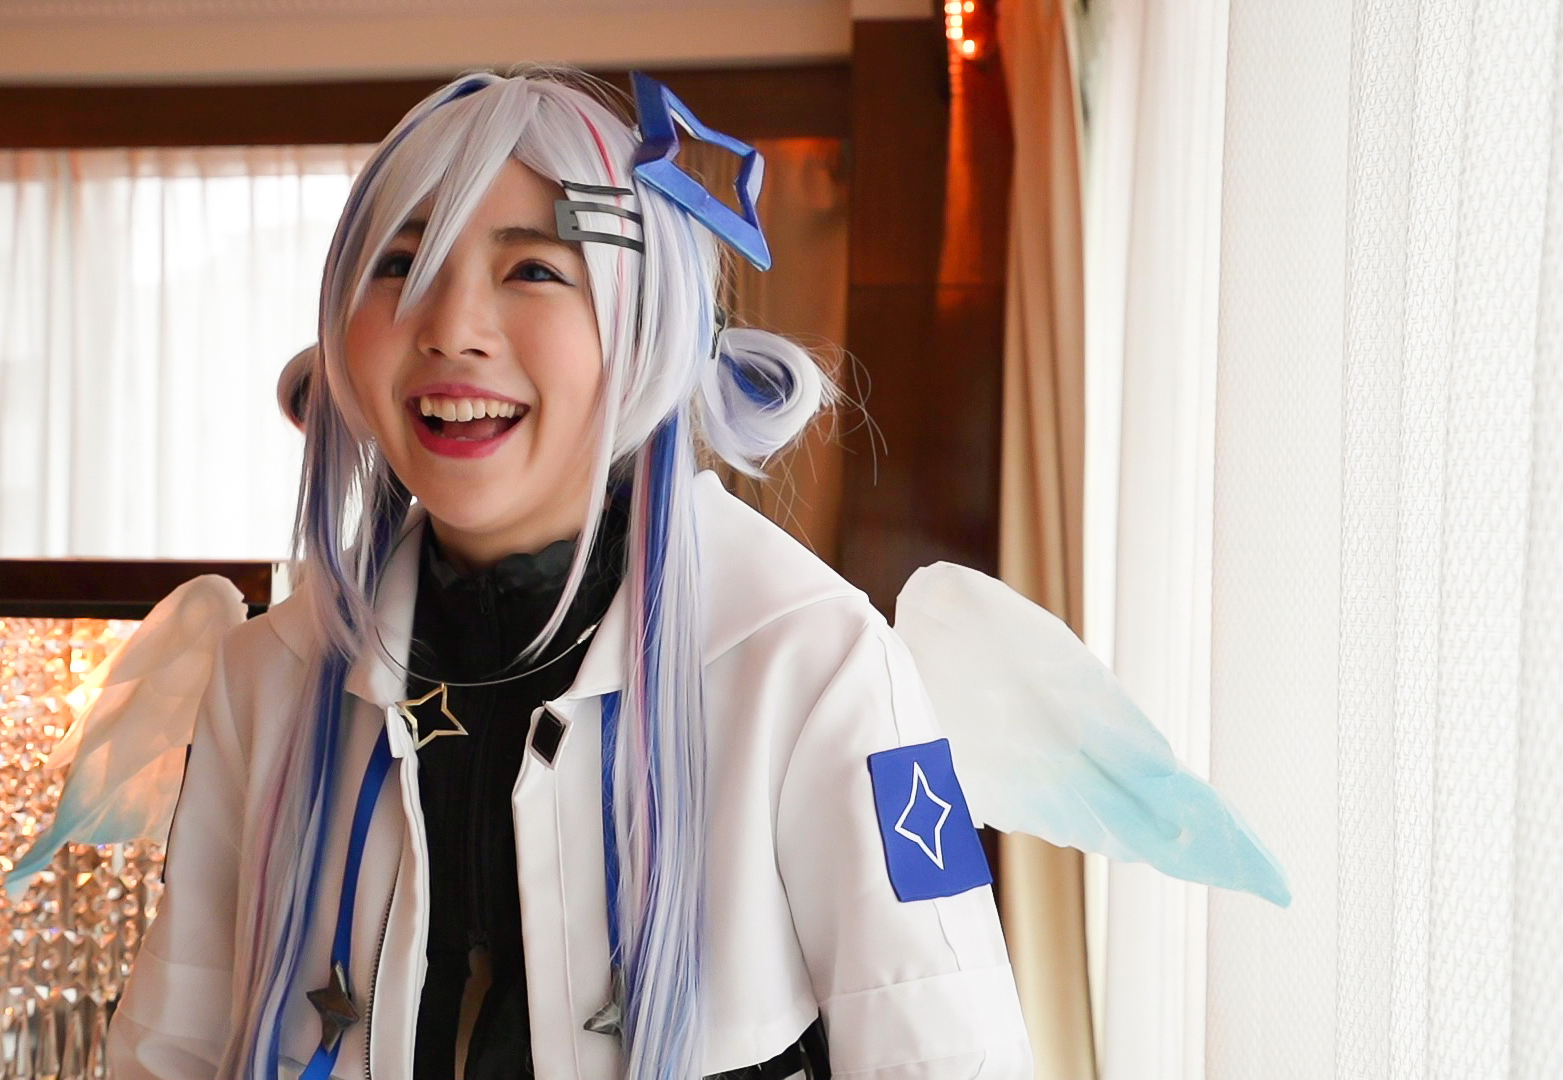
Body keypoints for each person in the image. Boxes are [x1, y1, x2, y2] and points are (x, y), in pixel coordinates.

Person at [107, 69, 1034, 1080]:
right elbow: (171, 1051)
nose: (450, 328)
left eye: (534, 270)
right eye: (400, 264)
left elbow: (947, 1054)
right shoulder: (269, 676)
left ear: (648, 325)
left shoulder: (812, 661)